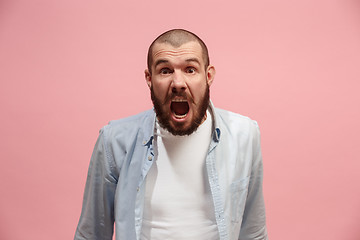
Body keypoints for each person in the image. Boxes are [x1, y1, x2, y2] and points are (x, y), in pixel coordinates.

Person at [74, 29, 268, 240]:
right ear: (149, 78)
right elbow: (91, 234)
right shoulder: (114, 141)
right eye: (165, 71)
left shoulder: (245, 135)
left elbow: (254, 233)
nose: (178, 83)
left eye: (190, 69)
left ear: (208, 75)